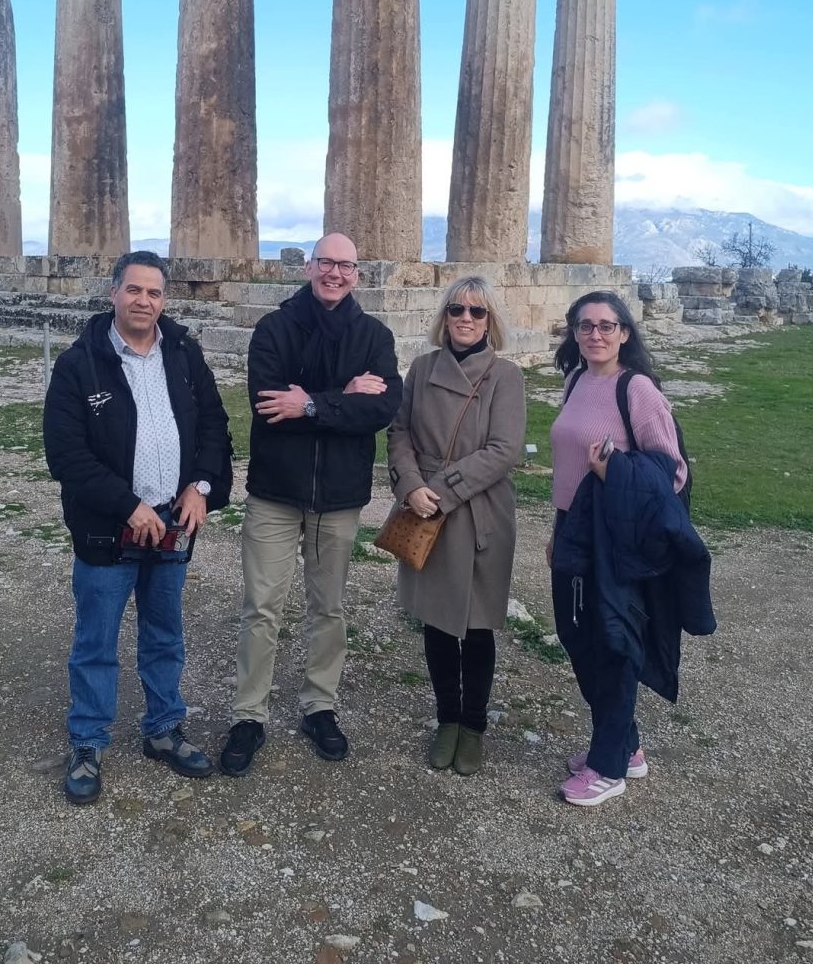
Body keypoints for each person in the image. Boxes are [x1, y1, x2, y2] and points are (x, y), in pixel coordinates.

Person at [43, 250, 233, 805]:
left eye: (154, 292)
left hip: (174, 521)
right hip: (109, 528)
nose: (143, 301)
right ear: (113, 294)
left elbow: (215, 426)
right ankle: (87, 742)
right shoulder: (80, 363)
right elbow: (66, 455)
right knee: (96, 640)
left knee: (165, 633)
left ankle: (164, 728)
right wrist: (127, 505)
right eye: (134, 290)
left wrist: (201, 486)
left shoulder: (184, 353)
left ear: (164, 300)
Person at [218, 232, 402, 776]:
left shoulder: (375, 336)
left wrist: (312, 403)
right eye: (326, 262)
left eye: (345, 265)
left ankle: (320, 705)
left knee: (330, 607)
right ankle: (248, 714)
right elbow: (270, 405)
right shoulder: (274, 329)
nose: (334, 273)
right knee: (261, 607)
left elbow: (382, 410)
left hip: (339, 497)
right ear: (309, 267)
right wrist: (344, 396)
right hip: (276, 492)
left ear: (357, 275)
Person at [547, 290, 715, 807]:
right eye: (585, 325)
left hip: (615, 537)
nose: (595, 334)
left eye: (606, 325)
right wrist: (556, 529)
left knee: (614, 644)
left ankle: (608, 766)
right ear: (574, 332)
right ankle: (627, 744)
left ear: (624, 332)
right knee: (577, 635)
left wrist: (614, 469)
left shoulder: (637, 389)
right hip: (573, 528)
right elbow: (568, 467)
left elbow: (672, 470)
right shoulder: (576, 380)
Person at [387, 277, 526, 775]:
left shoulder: (504, 375)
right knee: (438, 621)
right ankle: (447, 717)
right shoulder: (423, 369)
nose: (466, 318)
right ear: (444, 316)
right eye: (457, 309)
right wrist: (410, 486)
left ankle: (474, 724)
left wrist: (440, 491)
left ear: (490, 321)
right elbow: (400, 431)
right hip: (424, 507)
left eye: (477, 311)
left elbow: (504, 449)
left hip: (477, 510)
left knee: (477, 625)